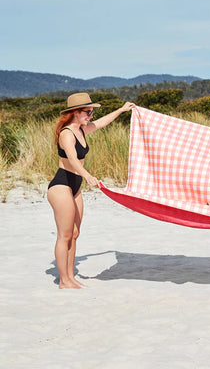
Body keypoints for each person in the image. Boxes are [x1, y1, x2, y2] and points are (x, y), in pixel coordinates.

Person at [47, 92, 135, 289]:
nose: (91, 115)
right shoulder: (66, 133)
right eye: (88, 111)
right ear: (75, 112)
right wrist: (87, 175)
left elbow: (103, 122)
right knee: (65, 234)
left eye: (92, 111)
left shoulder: (82, 129)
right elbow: (71, 158)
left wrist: (121, 110)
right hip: (61, 185)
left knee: (75, 233)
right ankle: (63, 281)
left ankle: (70, 277)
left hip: (75, 185)